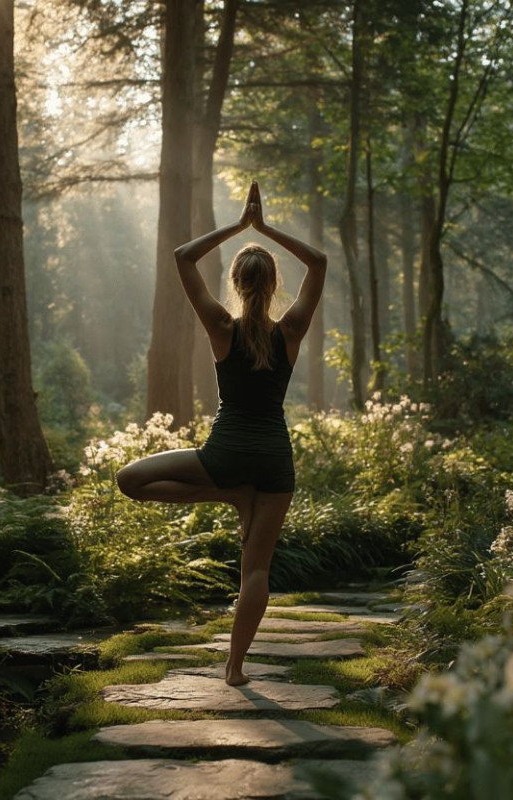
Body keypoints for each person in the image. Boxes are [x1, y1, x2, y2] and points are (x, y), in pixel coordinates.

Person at [116, 181, 327, 687]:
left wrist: (239, 225)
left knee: (129, 479)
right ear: (275, 284)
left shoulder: (221, 327)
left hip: (226, 455)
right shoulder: (291, 331)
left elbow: (183, 258)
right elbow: (318, 263)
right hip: (275, 462)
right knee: (255, 570)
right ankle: (234, 668)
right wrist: (265, 227)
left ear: (234, 281)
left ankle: (224, 494)